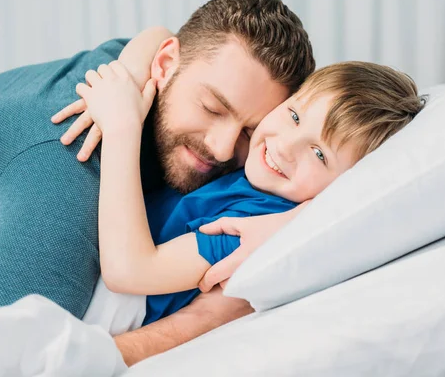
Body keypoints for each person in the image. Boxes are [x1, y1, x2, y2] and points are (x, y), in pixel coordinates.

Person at [0, 0, 313, 365]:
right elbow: (2, 362)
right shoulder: (67, 167)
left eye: (250, 131)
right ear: (164, 65)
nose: (224, 148)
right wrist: (207, 318)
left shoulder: (138, 71)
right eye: (212, 108)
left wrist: (292, 220)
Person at [54, 60, 425, 327]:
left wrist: (122, 127)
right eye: (295, 116)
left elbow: (130, 271)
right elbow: (160, 36)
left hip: (108, 303)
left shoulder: (254, 224)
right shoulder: (245, 153)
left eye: (319, 154)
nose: (285, 146)